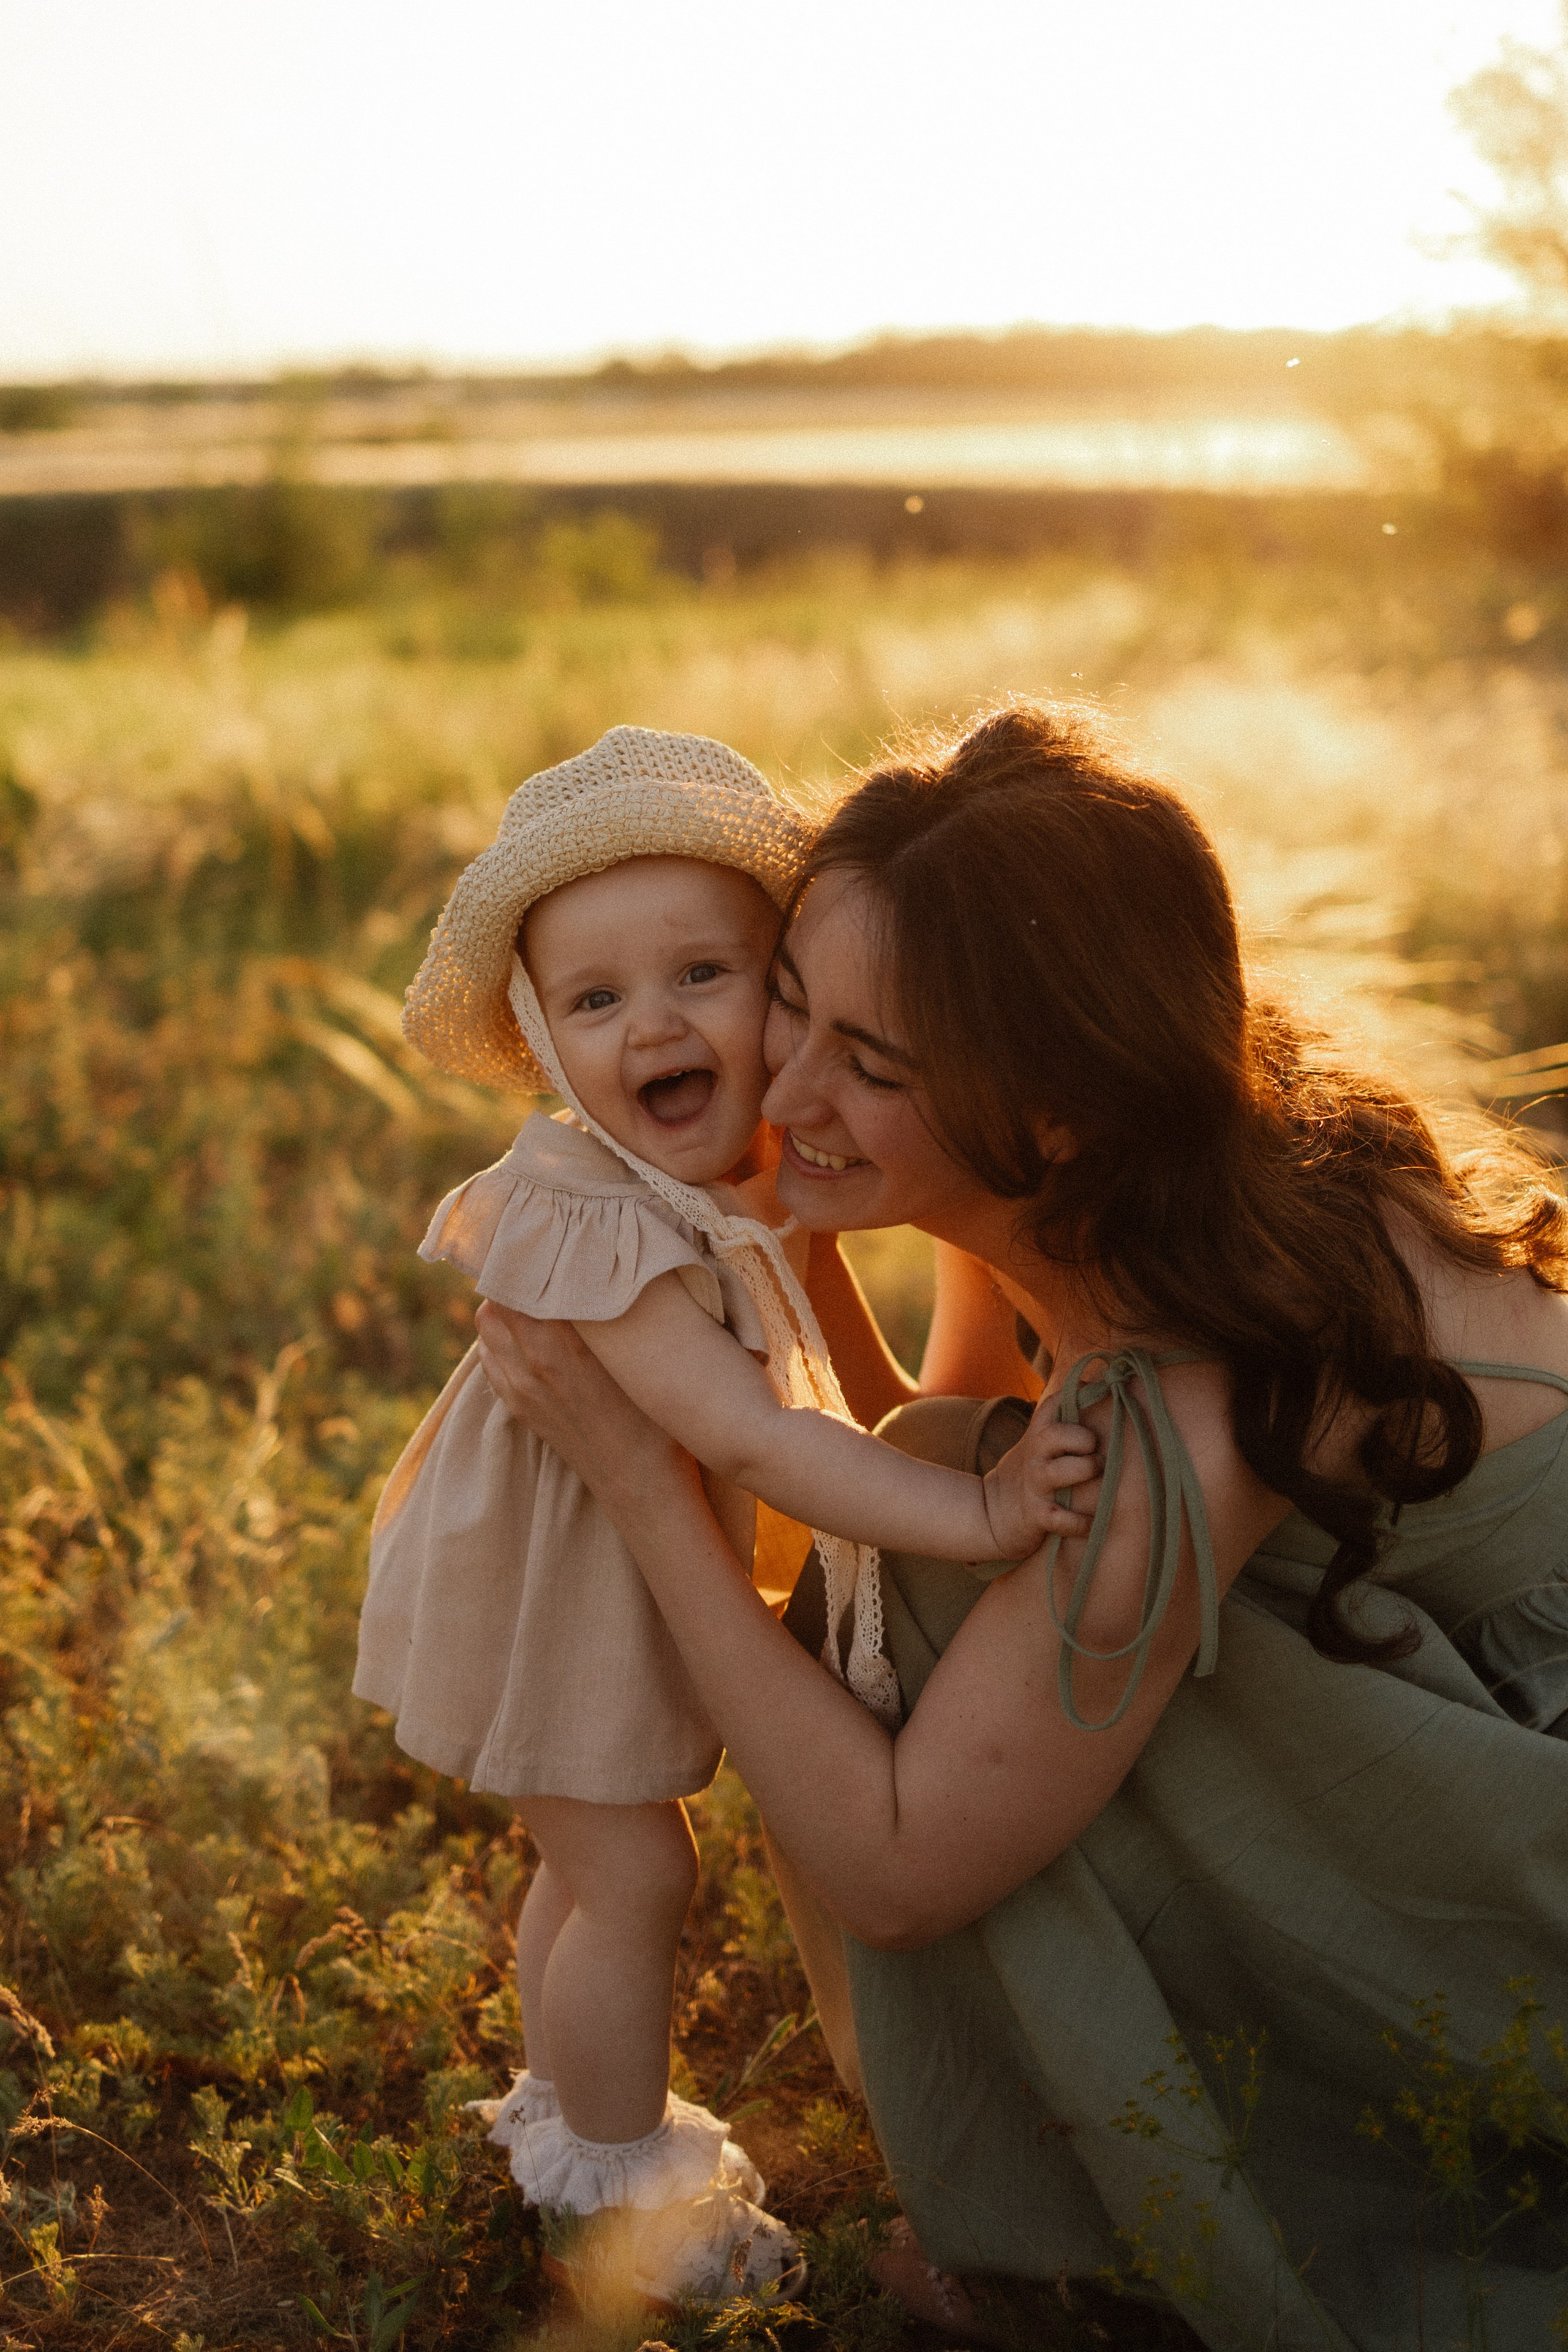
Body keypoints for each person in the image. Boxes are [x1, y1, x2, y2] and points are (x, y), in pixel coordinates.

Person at [472, 703, 1568, 2352]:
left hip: (1528, 1801)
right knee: (947, 1487)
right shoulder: (1119, 1156)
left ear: (1050, 1110)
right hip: (1431, 1678)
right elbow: (916, 1426)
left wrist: (642, 1478)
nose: (785, 1079)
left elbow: (894, 1866)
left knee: (936, 1619)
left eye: (870, 1065)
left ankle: (1100, 2248)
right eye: (789, 999)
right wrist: (809, 1239)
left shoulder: (1203, 1396)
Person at [353, 724, 1096, 2312]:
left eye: (704, 974)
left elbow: (828, 1370)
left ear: (785, 995)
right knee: (633, 1881)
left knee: (585, 1861)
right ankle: (627, 2197)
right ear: (544, 1042)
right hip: (565, 1596)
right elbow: (761, 1436)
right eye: (598, 1000)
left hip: (573, 1579)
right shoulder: (588, 1223)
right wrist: (982, 1509)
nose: (656, 1026)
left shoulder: (706, 1174)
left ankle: (563, 2116)